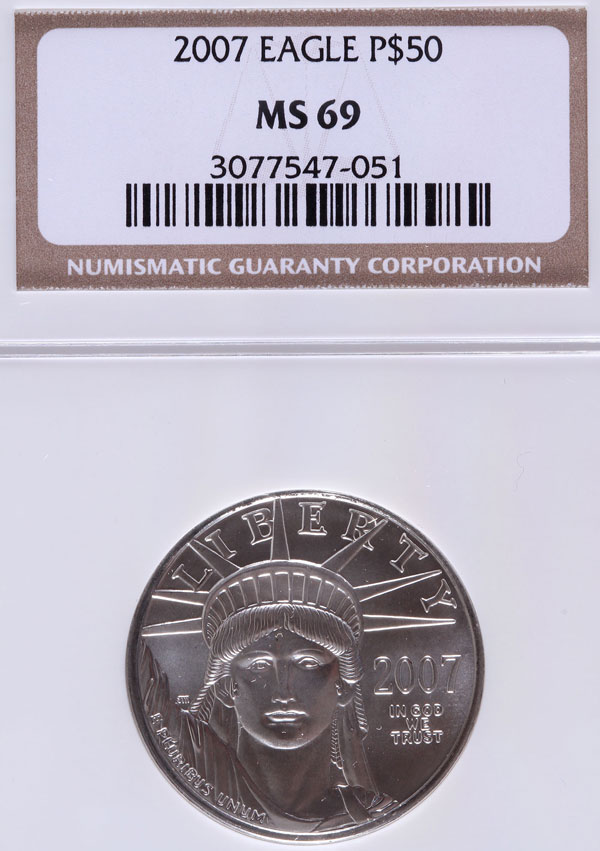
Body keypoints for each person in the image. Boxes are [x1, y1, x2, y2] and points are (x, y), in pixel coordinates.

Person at [140, 512, 395, 832]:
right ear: (227, 688)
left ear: (342, 685)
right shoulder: (204, 772)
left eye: (308, 663)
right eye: (259, 666)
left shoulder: (376, 814)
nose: (283, 691)